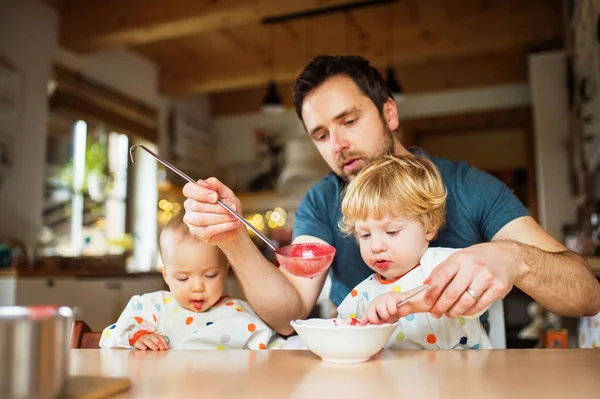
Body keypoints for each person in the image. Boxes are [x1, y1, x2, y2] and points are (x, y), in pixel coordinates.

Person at [182, 55, 600, 336]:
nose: (339, 145)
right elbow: (289, 313)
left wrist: (513, 257)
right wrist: (232, 239)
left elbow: (586, 294)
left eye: (349, 120)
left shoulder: (468, 186)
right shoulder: (322, 201)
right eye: (322, 135)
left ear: (389, 113)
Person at [336, 154, 492, 349]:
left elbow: (472, 295)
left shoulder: (445, 263)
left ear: (429, 226)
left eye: (391, 231)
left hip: (466, 375)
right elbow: (344, 340)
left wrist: (404, 300)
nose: (376, 246)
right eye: (365, 235)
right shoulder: (361, 297)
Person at [100, 214, 278, 350]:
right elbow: (109, 339)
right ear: (166, 275)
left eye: (210, 275)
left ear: (226, 269)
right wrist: (137, 338)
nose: (198, 287)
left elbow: (278, 352)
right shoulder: (150, 307)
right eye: (183, 278)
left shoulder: (241, 315)